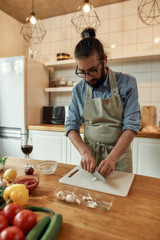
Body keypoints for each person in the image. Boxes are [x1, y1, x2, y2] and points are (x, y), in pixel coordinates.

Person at [65, 28, 141, 178]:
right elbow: (71, 127)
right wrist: (85, 153)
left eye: (92, 71)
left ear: (104, 60)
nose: (87, 78)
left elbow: (132, 126)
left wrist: (112, 158)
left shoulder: (127, 83)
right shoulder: (78, 90)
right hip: (90, 161)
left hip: (118, 159)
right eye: (82, 72)